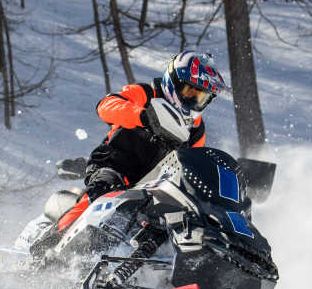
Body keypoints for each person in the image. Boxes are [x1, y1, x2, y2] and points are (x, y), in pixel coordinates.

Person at [31, 50, 227, 258]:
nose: (194, 100)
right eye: (190, 92)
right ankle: (44, 249)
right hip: (115, 164)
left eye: (201, 97)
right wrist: (143, 116)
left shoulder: (196, 128)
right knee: (99, 194)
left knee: (174, 223)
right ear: (174, 81)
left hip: (155, 185)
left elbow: (193, 164)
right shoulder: (147, 93)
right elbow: (105, 106)